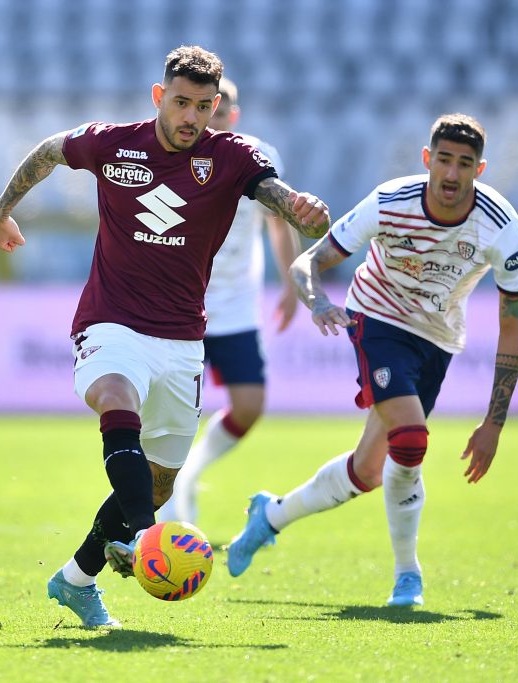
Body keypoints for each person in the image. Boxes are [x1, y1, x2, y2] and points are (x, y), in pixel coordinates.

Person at [0, 46, 330, 628]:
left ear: (216, 105)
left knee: (156, 481)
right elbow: (48, 152)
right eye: (180, 103)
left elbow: (275, 194)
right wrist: (2, 209)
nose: (190, 117)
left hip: (181, 339)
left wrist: (300, 208)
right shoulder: (112, 142)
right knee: (115, 397)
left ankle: (76, 579)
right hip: (110, 319)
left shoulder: (232, 156)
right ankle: (147, 539)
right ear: (157, 97)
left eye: (202, 105)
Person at [226, 113, 518, 608]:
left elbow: (513, 321)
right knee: (409, 440)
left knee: (368, 470)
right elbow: (309, 261)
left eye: (466, 164)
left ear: (481, 169)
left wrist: (494, 423)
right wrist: (318, 301)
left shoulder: (500, 226)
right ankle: (408, 576)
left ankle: (271, 515)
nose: (452, 175)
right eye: (445, 161)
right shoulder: (391, 202)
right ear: (428, 160)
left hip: (437, 338)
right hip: (377, 319)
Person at [158, 77, 300, 525]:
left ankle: (190, 474)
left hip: (236, 303)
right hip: (181, 303)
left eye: (216, 112)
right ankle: (164, 497)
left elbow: (280, 222)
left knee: (249, 405)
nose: (207, 122)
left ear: (229, 114)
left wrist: (291, 283)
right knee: (172, 409)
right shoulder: (173, 157)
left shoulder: (257, 158)